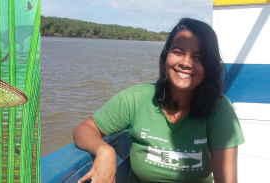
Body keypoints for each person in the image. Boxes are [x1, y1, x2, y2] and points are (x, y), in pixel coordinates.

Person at [73, 18, 245, 183]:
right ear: (166, 55)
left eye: (198, 57)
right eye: (178, 52)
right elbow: (85, 129)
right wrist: (104, 150)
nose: (186, 63)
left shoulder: (219, 110)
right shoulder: (136, 99)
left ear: (209, 66)